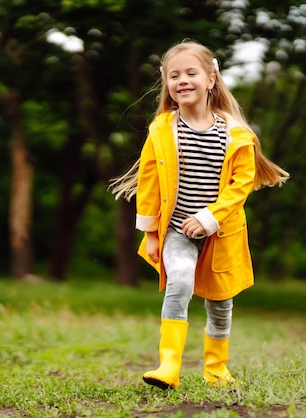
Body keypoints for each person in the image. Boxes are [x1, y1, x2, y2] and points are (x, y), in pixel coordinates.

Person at [110, 40, 289, 390]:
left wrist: (210, 217)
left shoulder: (236, 135)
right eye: (174, 76)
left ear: (211, 80)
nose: (182, 80)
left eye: (191, 73)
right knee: (179, 281)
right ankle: (169, 366)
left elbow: (240, 187)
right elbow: (148, 183)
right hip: (176, 230)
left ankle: (216, 368)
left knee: (220, 304)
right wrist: (149, 235)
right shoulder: (163, 130)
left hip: (223, 232)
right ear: (167, 85)